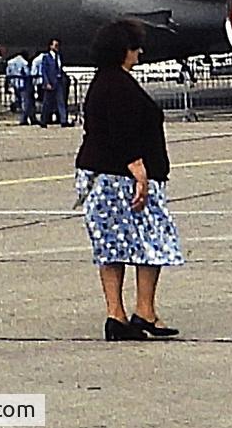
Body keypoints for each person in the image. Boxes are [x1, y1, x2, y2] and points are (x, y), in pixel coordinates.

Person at [76, 18, 185, 341]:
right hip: (122, 178)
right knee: (152, 242)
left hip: (98, 175)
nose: (139, 52)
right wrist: (138, 169)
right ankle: (144, 311)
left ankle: (115, 314)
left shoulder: (101, 82)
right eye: (135, 47)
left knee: (111, 246)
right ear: (123, 50)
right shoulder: (120, 86)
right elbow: (121, 130)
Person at [35, 39, 69, 127]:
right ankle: (43, 121)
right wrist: (46, 82)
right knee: (47, 103)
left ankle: (63, 120)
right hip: (50, 82)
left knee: (61, 102)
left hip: (58, 82)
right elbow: (44, 71)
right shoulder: (46, 57)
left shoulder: (59, 57)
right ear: (50, 46)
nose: (57, 47)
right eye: (55, 45)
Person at [8, 50, 37, 125]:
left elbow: (8, 73)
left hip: (15, 83)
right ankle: (25, 118)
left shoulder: (10, 62)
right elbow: (27, 73)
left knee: (21, 101)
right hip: (24, 84)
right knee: (27, 102)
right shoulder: (24, 63)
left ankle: (30, 117)